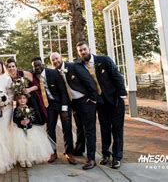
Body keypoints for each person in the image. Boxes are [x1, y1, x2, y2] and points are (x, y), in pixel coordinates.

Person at [76, 41, 127, 169]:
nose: (83, 52)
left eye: (84, 49)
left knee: (117, 129)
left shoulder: (104, 60)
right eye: (80, 51)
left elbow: (117, 76)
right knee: (104, 130)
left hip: (115, 100)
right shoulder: (80, 66)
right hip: (100, 103)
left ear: (89, 49)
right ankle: (105, 155)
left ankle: (117, 157)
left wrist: (122, 95)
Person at [50, 52, 100, 170]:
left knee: (89, 130)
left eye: (56, 58)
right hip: (74, 104)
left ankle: (91, 159)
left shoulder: (73, 66)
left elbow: (89, 81)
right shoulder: (55, 73)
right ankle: (79, 149)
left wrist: (92, 99)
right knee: (80, 128)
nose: (55, 61)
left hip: (86, 101)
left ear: (61, 58)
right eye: (53, 60)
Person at [31, 57, 77, 165]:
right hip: (50, 105)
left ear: (42, 64)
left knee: (67, 128)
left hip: (61, 103)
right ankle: (53, 152)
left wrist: (65, 108)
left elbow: (63, 91)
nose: (37, 67)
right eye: (34, 66)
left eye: (38, 65)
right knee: (50, 128)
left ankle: (69, 152)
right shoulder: (34, 76)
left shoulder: (53, 73)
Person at [12, 93, 54, 168]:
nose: (22, 100)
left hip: (29, 129)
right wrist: (20, 122)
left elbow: (33, 117)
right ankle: (22, 160)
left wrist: (29, 120)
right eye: (20, 99)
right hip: (19, 130)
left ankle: (28, 159)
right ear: (17, 100)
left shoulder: (30, 108)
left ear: (27, 100)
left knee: (29, 144)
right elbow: (14, 119)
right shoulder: (16, 109)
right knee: (21, 145)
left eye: (24, 98)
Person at [6, 58, 47, 125]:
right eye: (9, 67)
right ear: (7, 68)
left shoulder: (24, 73)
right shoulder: (8, 78)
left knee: (33, 120)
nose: (11, 68)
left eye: (13, 66)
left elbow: (39, 84)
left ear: (16, 67)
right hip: (19, 101)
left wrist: (29, 89)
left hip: (31, 99)